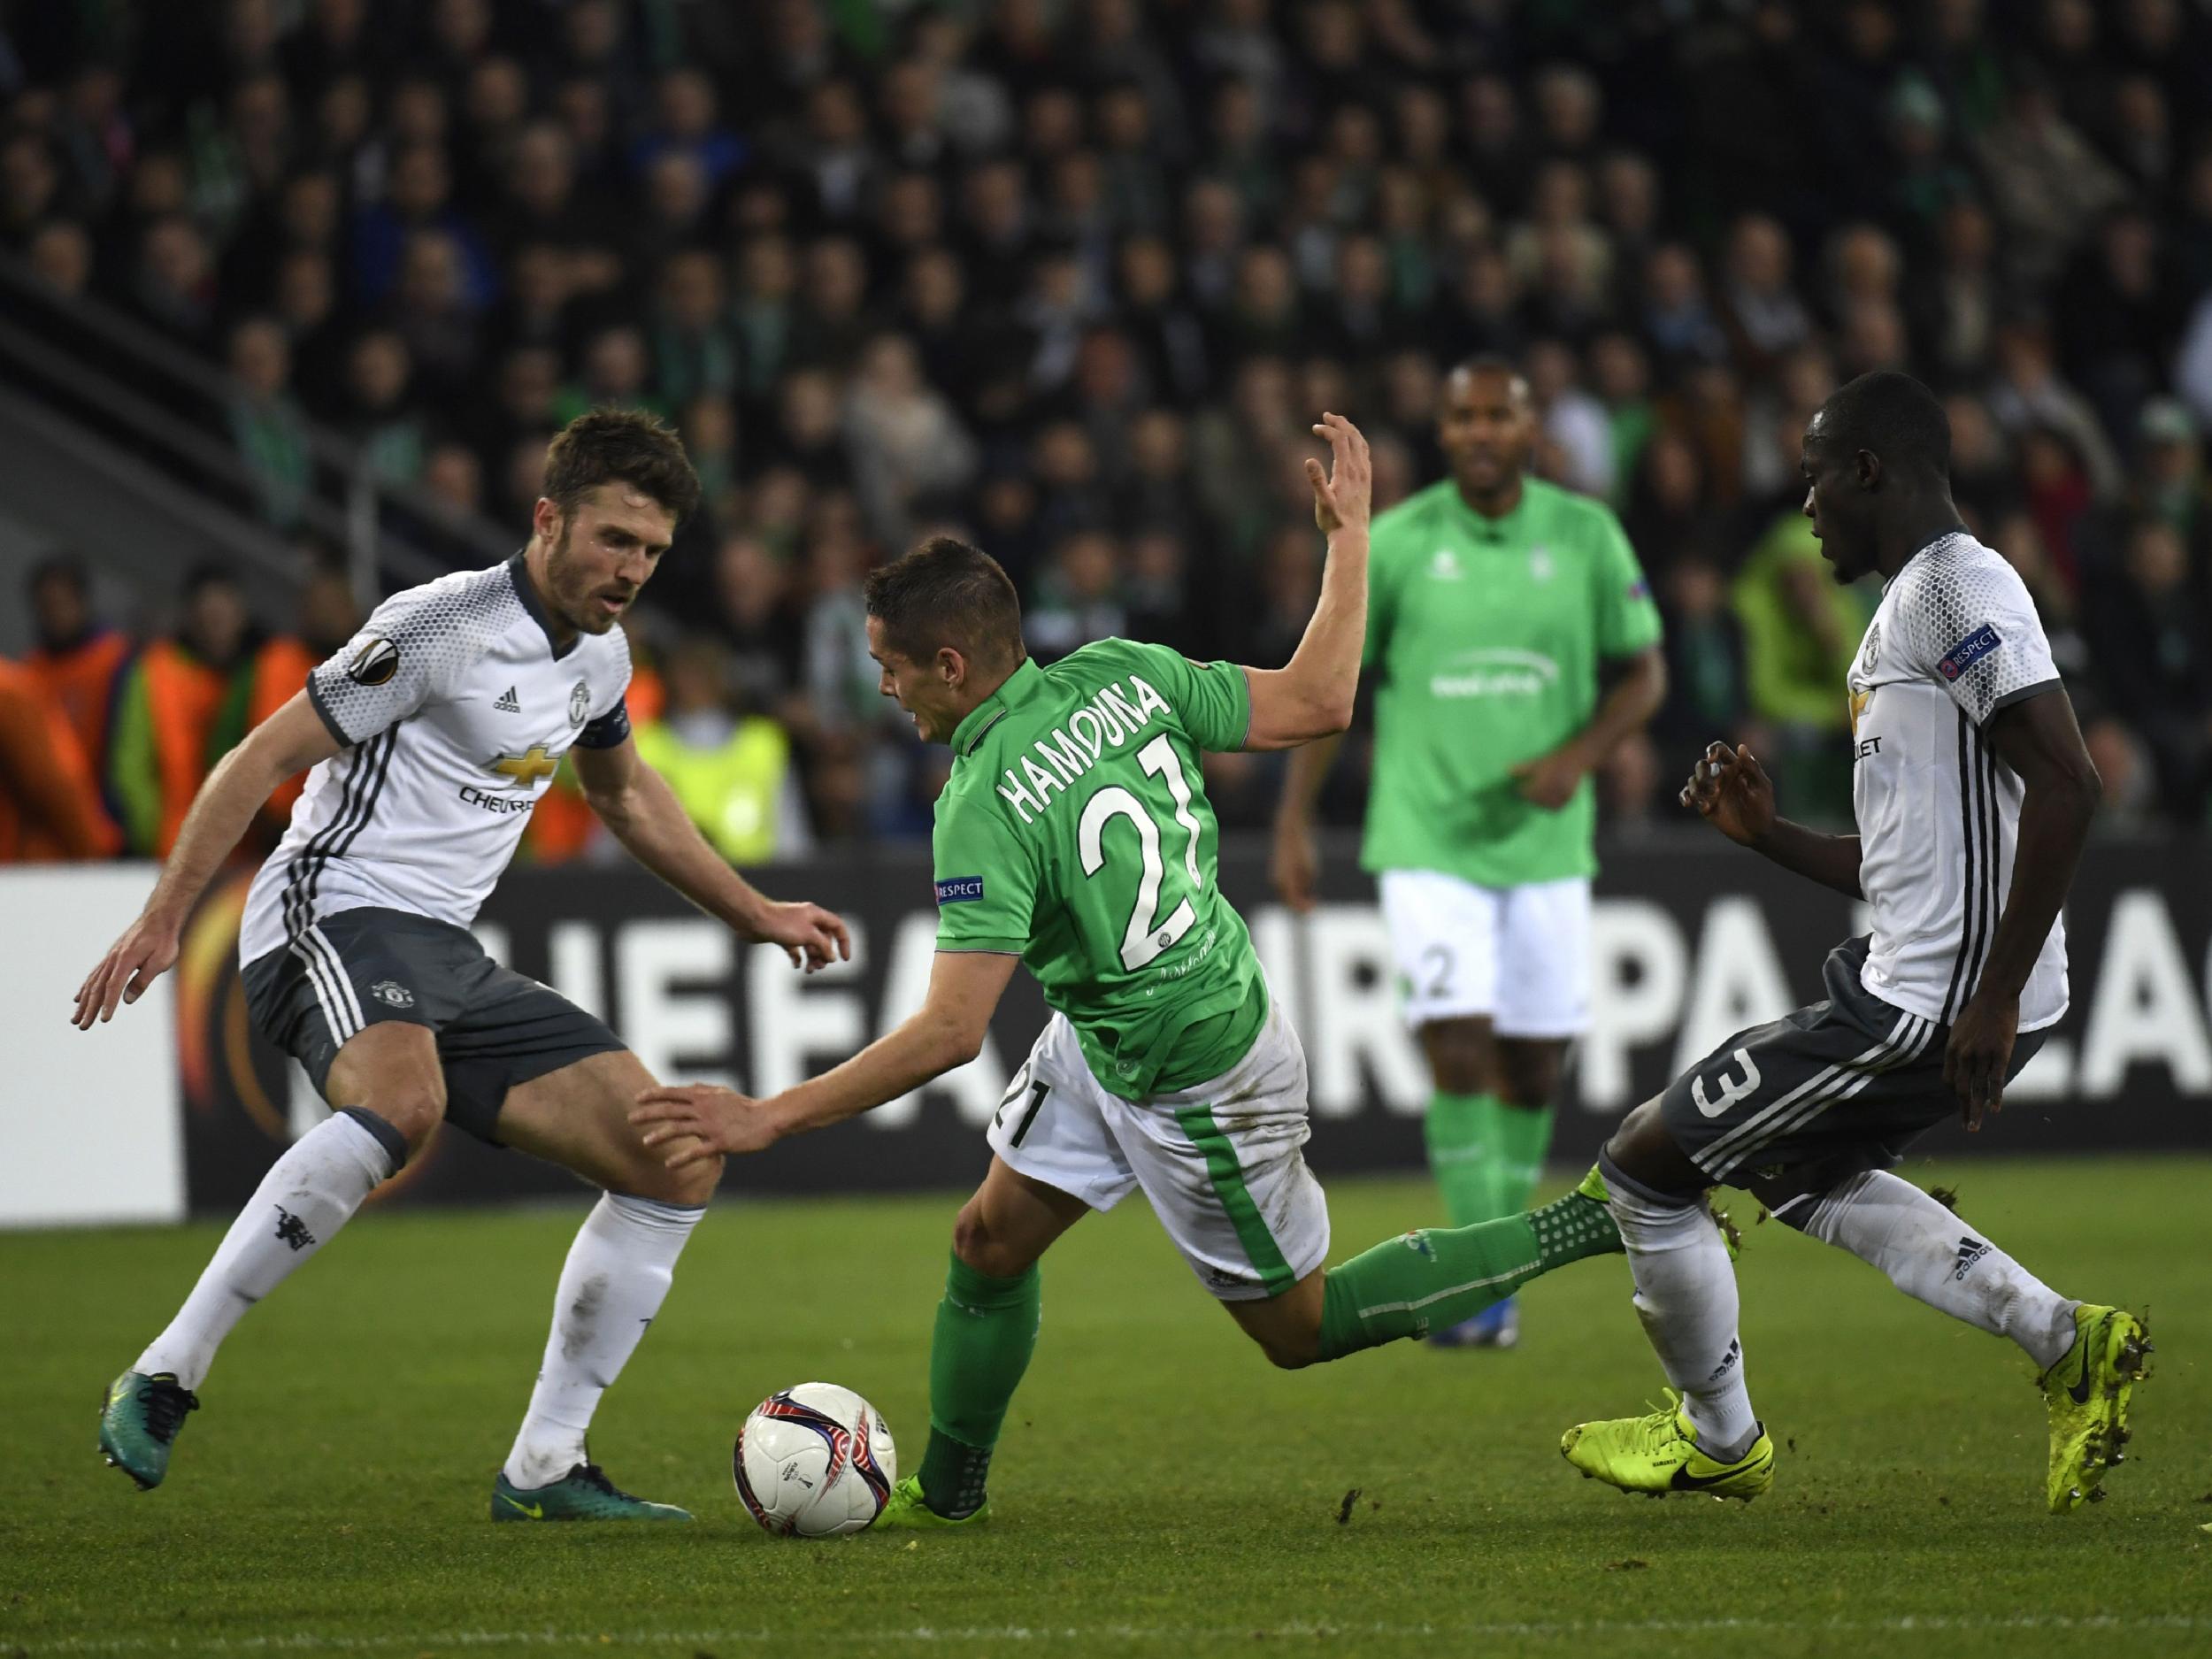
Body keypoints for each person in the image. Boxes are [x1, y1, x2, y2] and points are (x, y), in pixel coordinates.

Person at [629, 417, 1676, 1528]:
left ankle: (1588, 1213)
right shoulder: (1119, 673)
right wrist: (1350, 540)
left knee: (1300, 1330)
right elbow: (1319, 699)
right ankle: (951, 1493)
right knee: (986, 1241)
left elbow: (947, 1033)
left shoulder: (977, 805)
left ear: (949, 664)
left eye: (890, 667)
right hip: (1109, 1029)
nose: (883, 688)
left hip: (1198, 1068)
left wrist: (770, 1118)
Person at [77, 410, 851, 1521]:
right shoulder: (438, 626)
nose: (630, 569)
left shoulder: (602, 655)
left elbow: (624, 795)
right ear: (548, 520)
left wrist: (753, 911)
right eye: (613, 539)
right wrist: (164, 919)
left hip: (444, 951)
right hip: (328, 912)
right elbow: (261, 756)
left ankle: (544, 1468)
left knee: (673, 1155)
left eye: (650, 551)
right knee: (406, 1101)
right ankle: (164, 1374)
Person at [1559, 372, 2147, 1514]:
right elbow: (1898, 865)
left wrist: (1993, 994)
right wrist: (1767, 833)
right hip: (1915, 977)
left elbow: (2071, 783)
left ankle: (1719, 1436)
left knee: (1643, 1165)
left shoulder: (1954, 588)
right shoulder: (1903, 613)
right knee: (1796, 1171)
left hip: (1932, 1001)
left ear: (1870, 469)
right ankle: (2063, 1338)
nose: (1808, 501)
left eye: (1817, 474)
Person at [1271, 357, 1666, 1348]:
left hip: (1542, 845)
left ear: (1531, 430)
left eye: (1499, 415)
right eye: (1464, 418)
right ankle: (1484, 1276)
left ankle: (1497, 1263)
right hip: (1426, 836)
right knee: (1454, 1042)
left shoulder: (1584, 535)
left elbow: (1645, 672)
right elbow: (1330, 689)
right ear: (1442, 434)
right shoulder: (1398, 545)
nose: (1482, 432)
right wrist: (1292, 822)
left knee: (1533, 1068)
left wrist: (1579, 756)